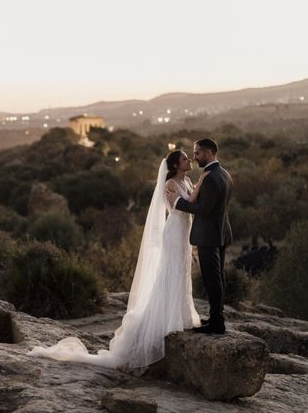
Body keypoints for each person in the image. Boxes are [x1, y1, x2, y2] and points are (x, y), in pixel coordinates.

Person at [28, 149, 208, 369]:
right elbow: (185, 203)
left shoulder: (187, 180)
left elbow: (193, 201)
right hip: (174, 233)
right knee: (171, 272)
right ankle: (167, 319)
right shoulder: (169, 185)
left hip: (185, 234)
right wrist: (202, 182)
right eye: (183, 159)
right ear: (174, 165)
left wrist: (198, 183)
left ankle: (181, 314)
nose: (188, 160)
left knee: (182, 272)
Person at [166, 138, 233, 334]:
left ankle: (216, 323)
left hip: (208, 236)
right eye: (192, 155)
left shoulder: (211, 177)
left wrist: (178, 202)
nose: (194, 158)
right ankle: (216, 318)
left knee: (213, 280)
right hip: (220, 232)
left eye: (197, 153)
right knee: (217, 278)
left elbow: (203, 210)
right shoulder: (223, 173)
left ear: (209, 153)